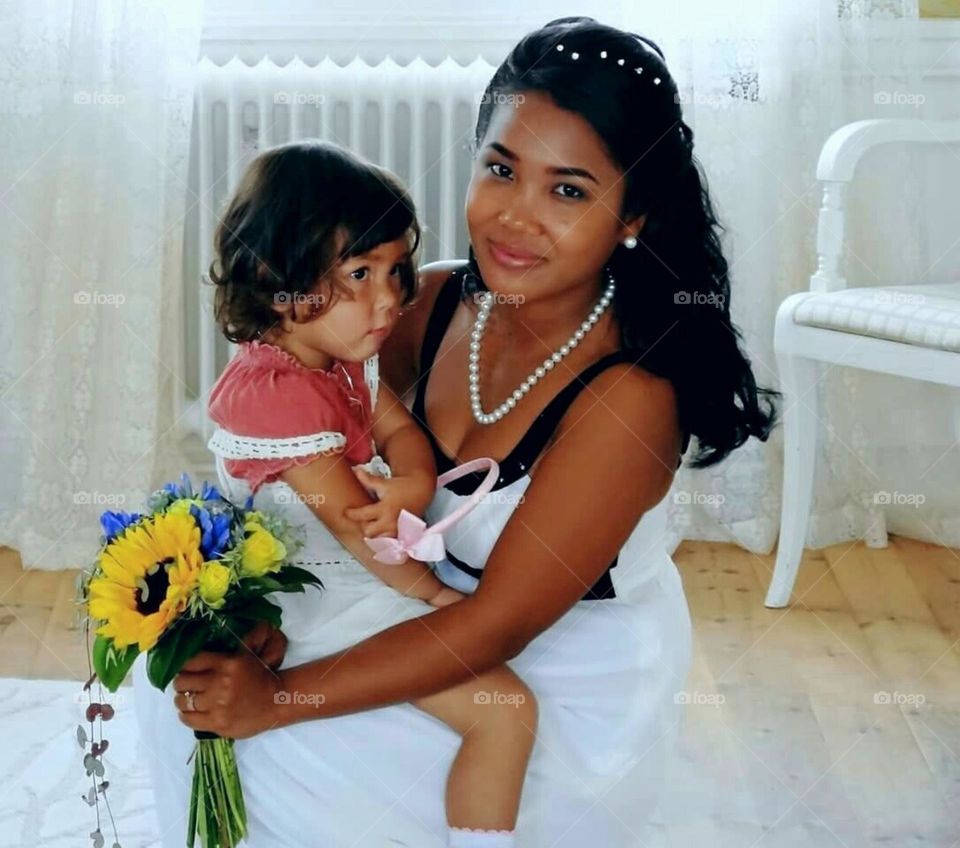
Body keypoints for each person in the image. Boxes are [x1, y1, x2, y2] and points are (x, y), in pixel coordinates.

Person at [133, 16, 779, 847]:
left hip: (544, 659)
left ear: (634, 217)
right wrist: (256, 616)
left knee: (299, 749)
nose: (515, 217)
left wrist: (281, 697)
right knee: (190, 684)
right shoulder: (426, 303)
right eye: (501, 169)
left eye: (569, 190)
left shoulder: (631, 399)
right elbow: (291, 441)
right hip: (401, 595)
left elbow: (495, 627)